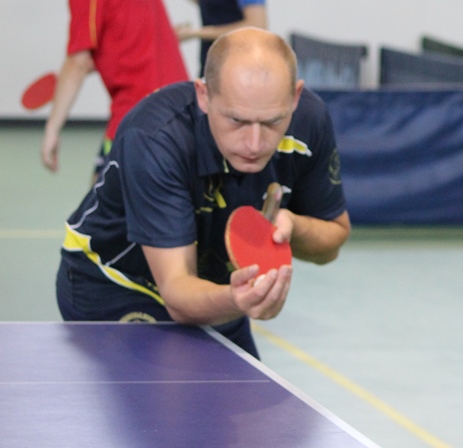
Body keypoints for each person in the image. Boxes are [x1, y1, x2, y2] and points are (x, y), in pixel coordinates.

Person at [56, 28, 351, 357]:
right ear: (203, 95)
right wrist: (237, 300)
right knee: (161, 401)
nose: (255, 144)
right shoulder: (156, 138)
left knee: (244, 403)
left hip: (213, 291)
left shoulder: (310, 121)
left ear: (295, 97)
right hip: (114, 283)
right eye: (236, 120)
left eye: (272, 122)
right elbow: (179, 293)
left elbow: (333, 239)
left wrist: (294, 227)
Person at [32, 0, 188, 176]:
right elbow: (127, 43)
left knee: (101, 212)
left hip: (138, 115)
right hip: (182, 107)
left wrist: (51, 130)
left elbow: (77, 61)